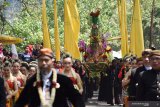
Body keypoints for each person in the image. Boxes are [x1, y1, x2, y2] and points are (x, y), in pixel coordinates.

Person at [14, 48, 85, 107]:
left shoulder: (63, 80)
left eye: (46, 60)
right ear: (38, 62)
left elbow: (77, 99)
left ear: (52, 61)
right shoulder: (32, 81)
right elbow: (20, 102)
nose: (44, 63)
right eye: (41, 60)